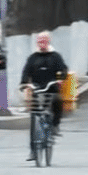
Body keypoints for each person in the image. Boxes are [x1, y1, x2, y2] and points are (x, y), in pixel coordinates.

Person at [20, 31, 68, 161]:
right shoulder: (33, 57)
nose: (42, 43)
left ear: (48, 42)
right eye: (39, 41)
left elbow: (63, 69)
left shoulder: (55, 56)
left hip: (51, 88)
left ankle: (55, 125)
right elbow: (26, 72)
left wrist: (60, 79)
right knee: (34, 117)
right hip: (37, 89)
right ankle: (33, 151)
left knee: (57, 100)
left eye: (44, 41)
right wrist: (24, 83)